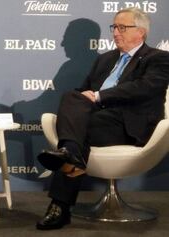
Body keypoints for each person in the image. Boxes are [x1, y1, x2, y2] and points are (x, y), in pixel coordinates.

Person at [36, 7, 169, 230]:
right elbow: (83, 93)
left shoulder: (159, 59)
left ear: (141, 32)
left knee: (76, 131)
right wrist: (85, 98)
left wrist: (98, 96)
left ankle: (60, 205)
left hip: (128, 124)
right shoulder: (105, 60)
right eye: (114, 27)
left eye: (122, 27)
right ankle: (72, 159)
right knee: (72, 98)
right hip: (97, 120)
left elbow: (143, 88)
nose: (116, 32)